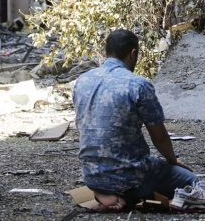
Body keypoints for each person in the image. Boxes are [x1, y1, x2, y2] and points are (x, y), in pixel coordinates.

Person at [73, 28, 198, 212]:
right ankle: (129, 195)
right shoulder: (138, 85)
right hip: (131, 175)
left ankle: (104, 192)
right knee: (191, 181)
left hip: (91, 175)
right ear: (133, 53)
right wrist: (172, 159)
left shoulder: (82, 81)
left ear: (107, 52)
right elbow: (159, 137)